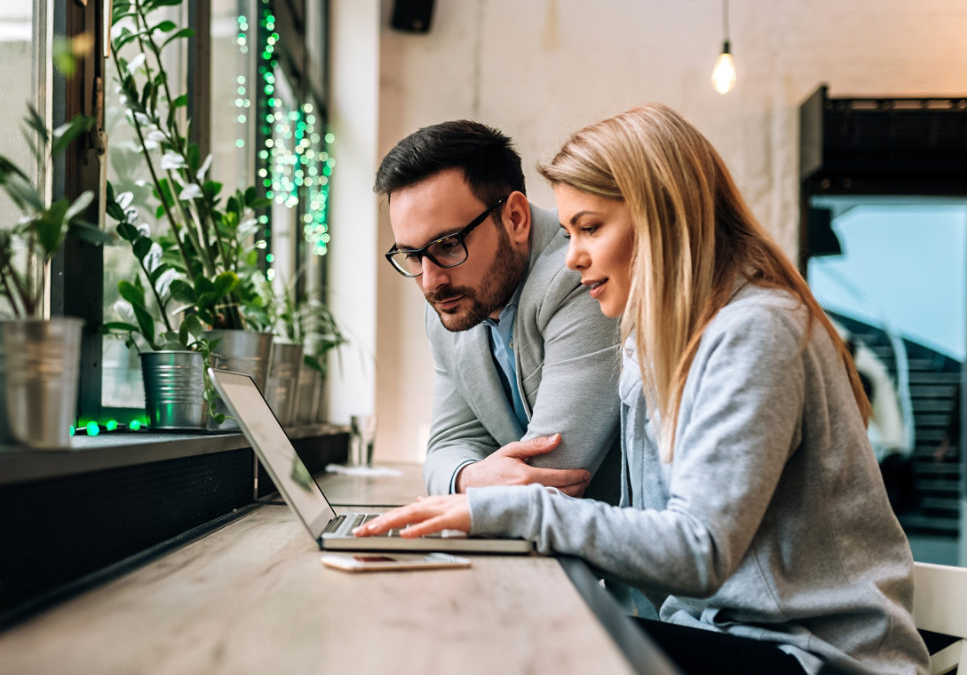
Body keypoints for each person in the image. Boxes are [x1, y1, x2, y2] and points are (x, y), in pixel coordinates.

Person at [359, 104, 931, 675]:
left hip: (814, 656)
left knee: (519, 645)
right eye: (570, 230)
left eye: (590, 228)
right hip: (723, 634)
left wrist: (507, 509)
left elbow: (699, 549)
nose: (573, 255)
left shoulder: (755, 330)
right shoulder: (658, 342)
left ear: (663, 219)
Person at [374, 120, 622, 502]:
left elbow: (550, 476)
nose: (429, 282)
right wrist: (468, 478)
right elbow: (447, 446)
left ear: (515, 219)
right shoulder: (454, 302)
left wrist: (469, 484)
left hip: (611, 551)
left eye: (449, 245)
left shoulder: (584, 276)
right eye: (412, 256)